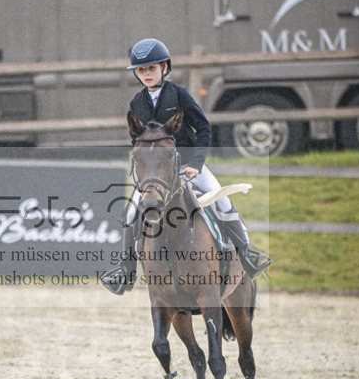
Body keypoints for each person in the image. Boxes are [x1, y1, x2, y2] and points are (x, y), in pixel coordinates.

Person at [100, 37, 271, 295]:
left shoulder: (179, 95)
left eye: (152, 68)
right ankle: (126, 271)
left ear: (164, 69)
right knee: (130, 214)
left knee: (222, 200)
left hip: (188, 167)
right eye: (142, 70)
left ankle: (248, 255)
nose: (147, 74)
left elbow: (203, 127)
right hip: (155, 176)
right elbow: (137, 141)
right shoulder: (136, 103)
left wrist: (196, 164)